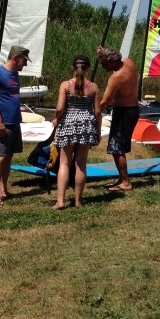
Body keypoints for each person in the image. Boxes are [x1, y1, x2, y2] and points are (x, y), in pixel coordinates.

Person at [52, 54, 101, 210]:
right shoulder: (93, 87)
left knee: (64, 163)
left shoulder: (65, 85)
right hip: (86, 125)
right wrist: (97, 131)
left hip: (68, 124)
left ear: (73, 68)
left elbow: (59, 108)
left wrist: (57, 120)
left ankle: (60, 201)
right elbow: (98, 112)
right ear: (88, 69)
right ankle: (78, 201)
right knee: (81, 164)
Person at [0, 45, 28, 206]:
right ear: (16, 58)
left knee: (9, 156)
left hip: (14, 121)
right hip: (2, 123)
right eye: (24, 61)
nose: (25, 64)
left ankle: (4, 189)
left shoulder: (15, 73)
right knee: (0, 158)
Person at [96, 45, 139, 192]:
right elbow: (113, 54)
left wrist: (90, 111)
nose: (102, 67)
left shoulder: (115, 77)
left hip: (124, 112)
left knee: (116, 148)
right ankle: (122, 178)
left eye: (104, 64)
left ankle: (126, 182)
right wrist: (103, 52)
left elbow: (105, 102)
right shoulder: (129, 62)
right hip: (133, 110)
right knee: (117, 147)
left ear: (112, 61)